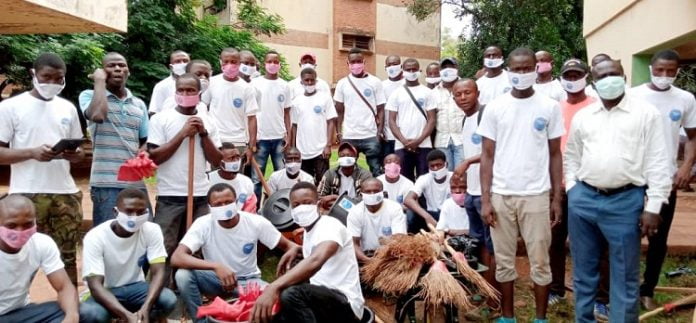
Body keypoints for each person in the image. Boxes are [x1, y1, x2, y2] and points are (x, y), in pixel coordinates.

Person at [564, 58, 672, 323]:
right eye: (602, 76)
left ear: (623, 77)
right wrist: (572, 189)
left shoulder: (646, 114)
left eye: (614, 74)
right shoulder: (584, 116)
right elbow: (572, 156)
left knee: (624, 274)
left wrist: (653, 206)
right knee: (583, 271)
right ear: (594, 81)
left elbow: (659, 162)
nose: (608, 79)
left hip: (626, 201)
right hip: (584, 200)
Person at [477, 47, 564, 323]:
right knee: (504, 260)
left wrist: (556, 198)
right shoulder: (495, 107)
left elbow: (554, 154)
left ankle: (540, 318)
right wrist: (486, 199)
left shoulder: (549, 106)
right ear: (509, 71)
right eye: (517, 69)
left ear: (535, 70)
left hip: (537, 196)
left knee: (540, 260)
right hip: (502, 196)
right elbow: (487, 156)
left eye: (528, 68)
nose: (523, 73)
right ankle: (507, 316)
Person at [0, 53, 85, 284]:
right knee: (18, 257)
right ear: (33, 75)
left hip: (65, 193)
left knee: (66, 257)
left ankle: (71, 312)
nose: (53, 83)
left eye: (59, 79)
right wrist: (31, 152)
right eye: (47, 77)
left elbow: (80, 153)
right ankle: (14, 308)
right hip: (26, 194)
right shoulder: (10, 107)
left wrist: (75, 154)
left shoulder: (67, 108)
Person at [172, 183, 300, 322]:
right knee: (182, 275)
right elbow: (177, 257)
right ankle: (202, 320)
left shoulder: (255, 222)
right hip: (216, 279)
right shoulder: (203, 224)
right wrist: (216, 267)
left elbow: (290, 246)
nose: (224, 207)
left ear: (236, 201)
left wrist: (289, 264)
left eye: (228, 202)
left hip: (249, 281)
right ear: (210, 208)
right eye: (218, 204)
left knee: (279, 299)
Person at [628, 49, 696, 310]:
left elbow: (692, 136)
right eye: (660, 70)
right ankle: (626, 287)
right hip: (632, 178)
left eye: (671, 71)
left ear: (678, 71)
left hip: (665, 179)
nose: (665, 76)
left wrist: (686, 166)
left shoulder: (685, 99)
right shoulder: (633, 96)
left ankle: (648, 290)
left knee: (658, 238)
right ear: (651, 69)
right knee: (628, 235)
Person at [251, 182, 366, 322]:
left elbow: (316, 260)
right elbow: (316, 251)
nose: (302, 208)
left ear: (317, 204)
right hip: (321, 302)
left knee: (291, 294)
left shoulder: (330, 225)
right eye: (296, 205)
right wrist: (298, 249)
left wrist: (274, 286)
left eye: (307, 203)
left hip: (346, 304)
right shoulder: (309, 232)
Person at [147, 73, 222, 283]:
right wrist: (182, 134)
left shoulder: (208, 121)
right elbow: (155, 157)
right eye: (181, 90)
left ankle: (189, 290)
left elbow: (217, 160)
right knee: (164, 248)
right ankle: (159, 293)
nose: (186, 94)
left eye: (191, 91)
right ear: (175, 92)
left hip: (199, 194)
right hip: (170, 195)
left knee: (195, 247)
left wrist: (204, 134)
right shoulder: (161, 119)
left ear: (199, 94)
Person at [546, 58, 598, 309]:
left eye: (578, 74)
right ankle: (556, 288)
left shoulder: (597, 106)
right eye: (568, 75)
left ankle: (593, 293)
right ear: (562, 78)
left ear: (586, 77)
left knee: (587, 242)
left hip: (587, 185)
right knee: (555, 240)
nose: (573, 79)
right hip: (558, 185)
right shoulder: (555, 108)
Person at [79, 189, 177, 322]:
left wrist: (146, 308)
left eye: (140, 212)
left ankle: (140, 318)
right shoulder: (95, 237)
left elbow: (158, 271)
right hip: (105, 291)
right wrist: (126, 315)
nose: (135, 216)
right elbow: (95, 286)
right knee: (93, 314)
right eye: (129, 211)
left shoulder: (152, 230)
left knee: (168, 299)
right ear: (115, 212)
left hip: (135, 288)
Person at [79, 52, 150, 227]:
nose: (118, 68)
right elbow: (98, 114)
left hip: (136, 183)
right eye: (111, 66)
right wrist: (99, 82)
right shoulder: (89, 96)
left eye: (122, 65)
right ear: (102, 71)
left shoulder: (139, 104)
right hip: (106, 185)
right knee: (109, 237)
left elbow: (146, 139)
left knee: (144, 236)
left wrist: (144, 151)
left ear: (128, 71)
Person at [0, 195, 79, 323]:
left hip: (22, 312)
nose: (20, 231)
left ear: (36, 221)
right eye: (11, 225)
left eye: (28, 224)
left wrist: (72, 317)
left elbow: (64, 287)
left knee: (85, 311)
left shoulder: (41, 243)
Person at [450, 78, 498, 292]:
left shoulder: (486, 115)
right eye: (458, 95)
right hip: (472, 191)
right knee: (477, 243)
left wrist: (468, 161)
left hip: (489, 192)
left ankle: (493, 294)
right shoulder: (465, 120)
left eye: (467, 93)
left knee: (493, 245)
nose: (462, 98)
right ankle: (481, 286)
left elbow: (495, 150)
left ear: (477, 93)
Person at [334, 48, 386, 176]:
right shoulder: (342, 84)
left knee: (376, 169)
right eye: (353, 62)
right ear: (348, 64)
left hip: (371, 135)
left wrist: (379, 132)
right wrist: (339, 132)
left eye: (359, 61)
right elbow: (339, 111)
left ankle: (377, 194)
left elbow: (381, 109)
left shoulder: (375, 82)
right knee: (348, 170)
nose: (356, 64)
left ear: (364, 62)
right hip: (350, 135)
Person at [202, 48, 259, 163]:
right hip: (215, 140)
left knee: (235, 177)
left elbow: (252, 118)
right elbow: (202, 107)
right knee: (213, 177)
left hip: (238, 142)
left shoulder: (247, 88)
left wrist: (251, 147)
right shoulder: (212, 83)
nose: (229, 65)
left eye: (233, 62)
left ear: (239, 63)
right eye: (226, 62)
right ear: (220, 62)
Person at [387, 58, 437, 181]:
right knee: (404, 180)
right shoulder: (396, 93)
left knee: (424, 179)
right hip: (401, 145)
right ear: (403, 71)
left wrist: (419, 140)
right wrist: (404, 141)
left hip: (424, 144)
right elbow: (392, 121)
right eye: (408, 69)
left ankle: (423, 201)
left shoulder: (427, 92)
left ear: (419, 71)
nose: (411, 72)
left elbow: (432, 119)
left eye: (414, 69)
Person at [251, 50, 292, 201]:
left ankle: (283, 209)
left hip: (279, 138)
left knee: (282, 177)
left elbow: (287, 113)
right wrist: (252, 137)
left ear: (279, 64)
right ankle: (255, 210)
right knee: (257, 179)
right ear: (264, 64)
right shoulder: (255, 84)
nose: (273, 64)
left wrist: (288, 135)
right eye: (270, 62)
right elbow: (250, 113)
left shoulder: (285, 86)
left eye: (276, 62)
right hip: (260, 138)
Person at [291, 68, 336, 184]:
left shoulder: (325, 98)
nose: (310, 83)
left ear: (316, 81)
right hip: (302, 151)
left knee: (323, 183)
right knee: (305, 183)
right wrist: (293, 147)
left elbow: (331, 121)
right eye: (307, 80)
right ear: (301, 82)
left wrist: (328, 145)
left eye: (312, 80)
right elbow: (294, 126)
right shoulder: (296, 101)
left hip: (320, 150)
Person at [347, 178, 406, 263]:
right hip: (365, 256)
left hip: (391, 255)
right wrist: (368, 260)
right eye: (368, 191)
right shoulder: (355, 212)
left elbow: (399, 238)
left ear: (383, 193)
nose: (372, 194)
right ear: (361, 194)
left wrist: (385, 259)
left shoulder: (394, 208)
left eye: (376, 191)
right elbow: (353, 244)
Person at [403, 149, 452, 233]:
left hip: (450, 214)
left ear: (446, 164)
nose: (435, 168)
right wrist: (427, 217)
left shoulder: (454, 177)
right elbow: (408, 199)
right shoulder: (424, 178)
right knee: (411, 212)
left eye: (439, 165)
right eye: (432, 166)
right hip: (431, 214)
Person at [433, 57, 466, 171]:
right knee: (445, 175)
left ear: (457, 68)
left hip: (462, 140)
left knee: (462, 175)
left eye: (451, 66)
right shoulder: (433, 92)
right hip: (442, 140)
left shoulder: (466, 87)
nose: (448, 69)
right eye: (444, 67)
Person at [208, 144, 258, 213]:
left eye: (238, 157)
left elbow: (250, 208)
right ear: (220, 162)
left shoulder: (246, 182)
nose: (236, 161)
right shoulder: (208, 181)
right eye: (231, 158)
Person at [149, 50, 190, 114]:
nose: (182, 64)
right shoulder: (162, 86)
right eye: (178, 61)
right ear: (171, 66)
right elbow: (154, 112)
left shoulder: (199, 84)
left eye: (185, 61)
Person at [381, 55, 405, 158]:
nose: (392, 67)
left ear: (401, 66)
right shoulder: (381, 86)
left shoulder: (407, 84)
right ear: (385, 67)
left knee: (404, 169)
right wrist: (380, 130)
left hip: (405, 136)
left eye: (395, 64)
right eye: (389, 65)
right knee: (388, 167)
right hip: (387, 136)